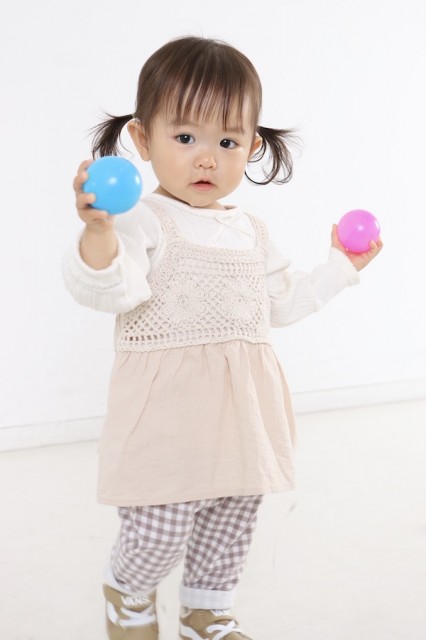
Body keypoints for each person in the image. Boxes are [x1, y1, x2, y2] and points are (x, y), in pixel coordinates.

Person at [62, 35, 382, 640]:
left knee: (232, 519)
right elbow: (110, 288)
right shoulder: (142, 220)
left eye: (227, 142)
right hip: (167, 419)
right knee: (160, 527)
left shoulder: (251, 230)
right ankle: (127, 589)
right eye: (185, 138)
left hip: (242, 415)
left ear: (252, 146)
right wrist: (99, 231)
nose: (206, 159)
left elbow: (281, 303)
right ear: (143, 140)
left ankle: (207, 610)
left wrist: (341, 267)